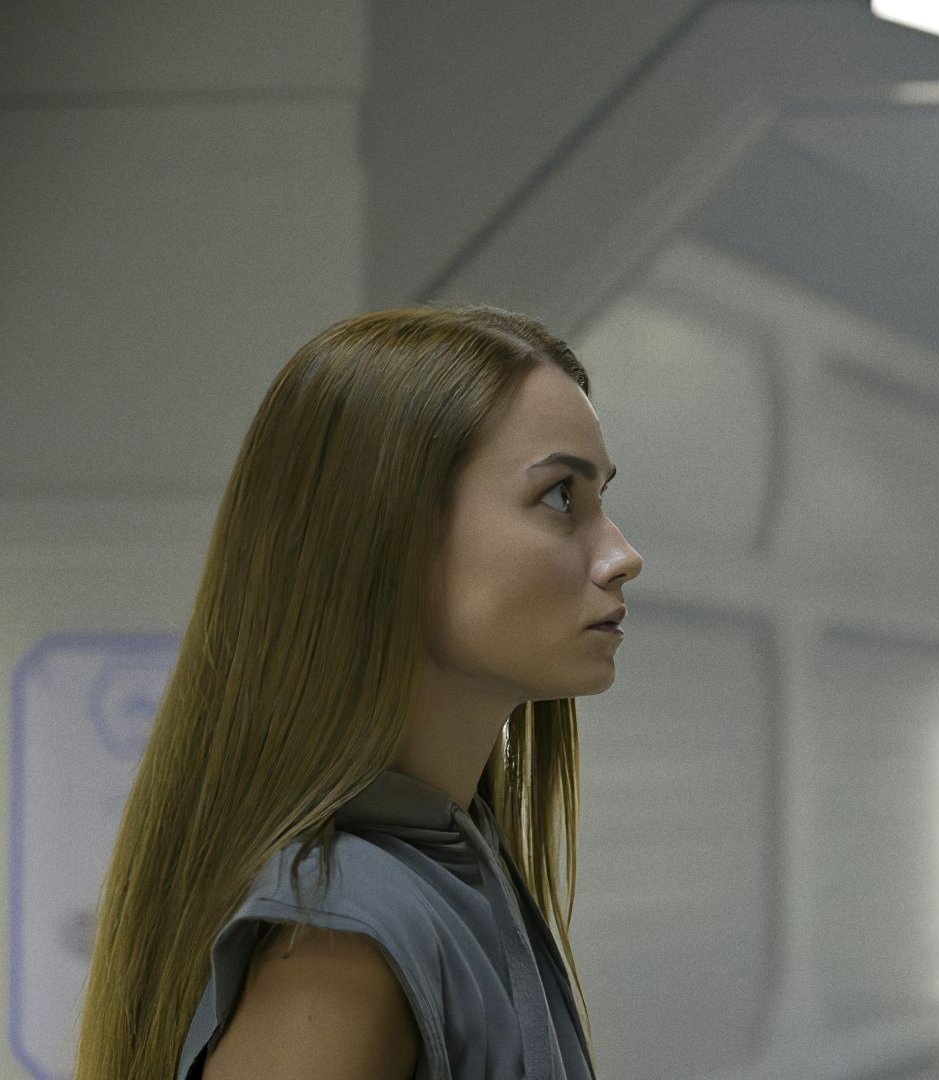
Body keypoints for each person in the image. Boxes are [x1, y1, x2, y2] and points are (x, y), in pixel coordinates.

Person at [74, 306, 642, 1080]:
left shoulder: (455, 875)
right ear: (389, 530)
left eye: (600, 497)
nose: (622, 555)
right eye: (558, 497)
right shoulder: (341, 939)